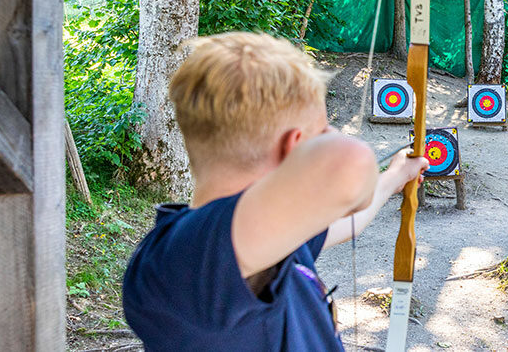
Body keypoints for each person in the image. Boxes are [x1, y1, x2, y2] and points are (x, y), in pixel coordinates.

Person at [122, 32, 429, 351]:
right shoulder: (188, 261)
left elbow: (348, 222)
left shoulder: (267, 238)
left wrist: (396, 176)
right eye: (324, 130)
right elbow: (350, 165)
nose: (332, 135)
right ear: (294, 146)